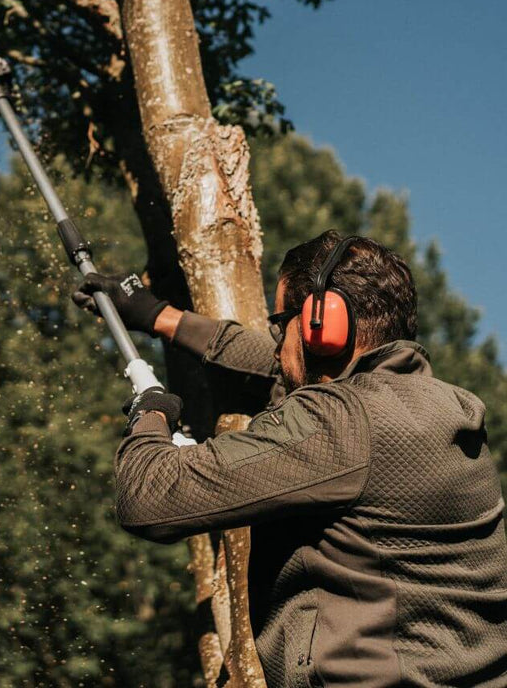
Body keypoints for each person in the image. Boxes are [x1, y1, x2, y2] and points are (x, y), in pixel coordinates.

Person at [73, 230, 507, 688]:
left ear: (324, 326)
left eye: (281, 323)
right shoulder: (443, 408)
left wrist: (151, 413)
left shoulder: (339, 422)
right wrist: (160, 316)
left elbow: (149, 495)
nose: (277, 344)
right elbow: (278, 368)